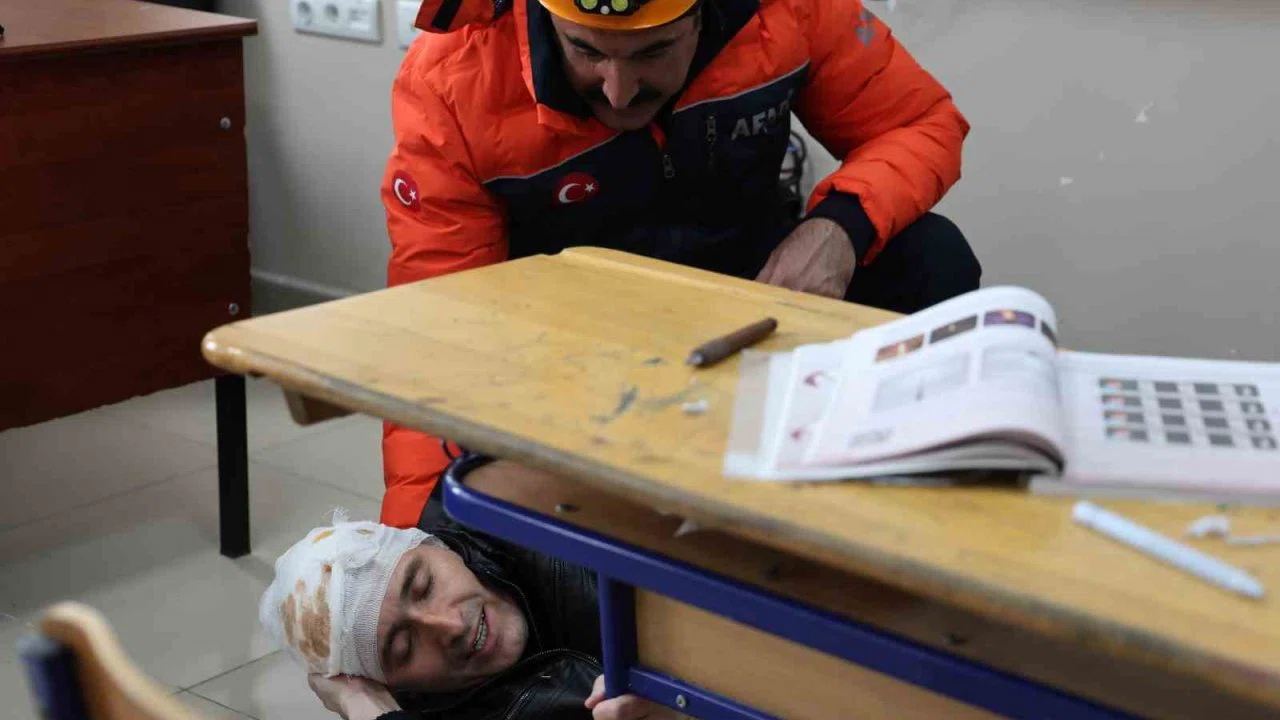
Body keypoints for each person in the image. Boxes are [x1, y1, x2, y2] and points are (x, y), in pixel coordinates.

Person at [378, 0, 981, 528]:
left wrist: (839, 229)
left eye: (654, 51)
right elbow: (438, 329)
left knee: (931, 256)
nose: (619, 91)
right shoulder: (451, 80)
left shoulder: (787, 9)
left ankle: (910, 504)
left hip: (750, 307)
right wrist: (415, 537)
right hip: (572, 364)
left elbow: (920, 121)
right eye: (586, 50)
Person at [261, 455, 683, 720]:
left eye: (424, 585)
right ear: (393, 687)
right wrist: (365, 708)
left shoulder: (506, 497)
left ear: (437, 544)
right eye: (404, 647)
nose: (449, 625)